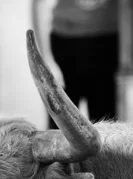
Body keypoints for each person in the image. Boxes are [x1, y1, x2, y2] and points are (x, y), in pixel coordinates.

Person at [32, 0, 119, 129]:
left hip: (108, 44)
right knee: (61, 130)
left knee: (107, 129)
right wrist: (47, 59)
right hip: (65, 43)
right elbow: (41, 3)